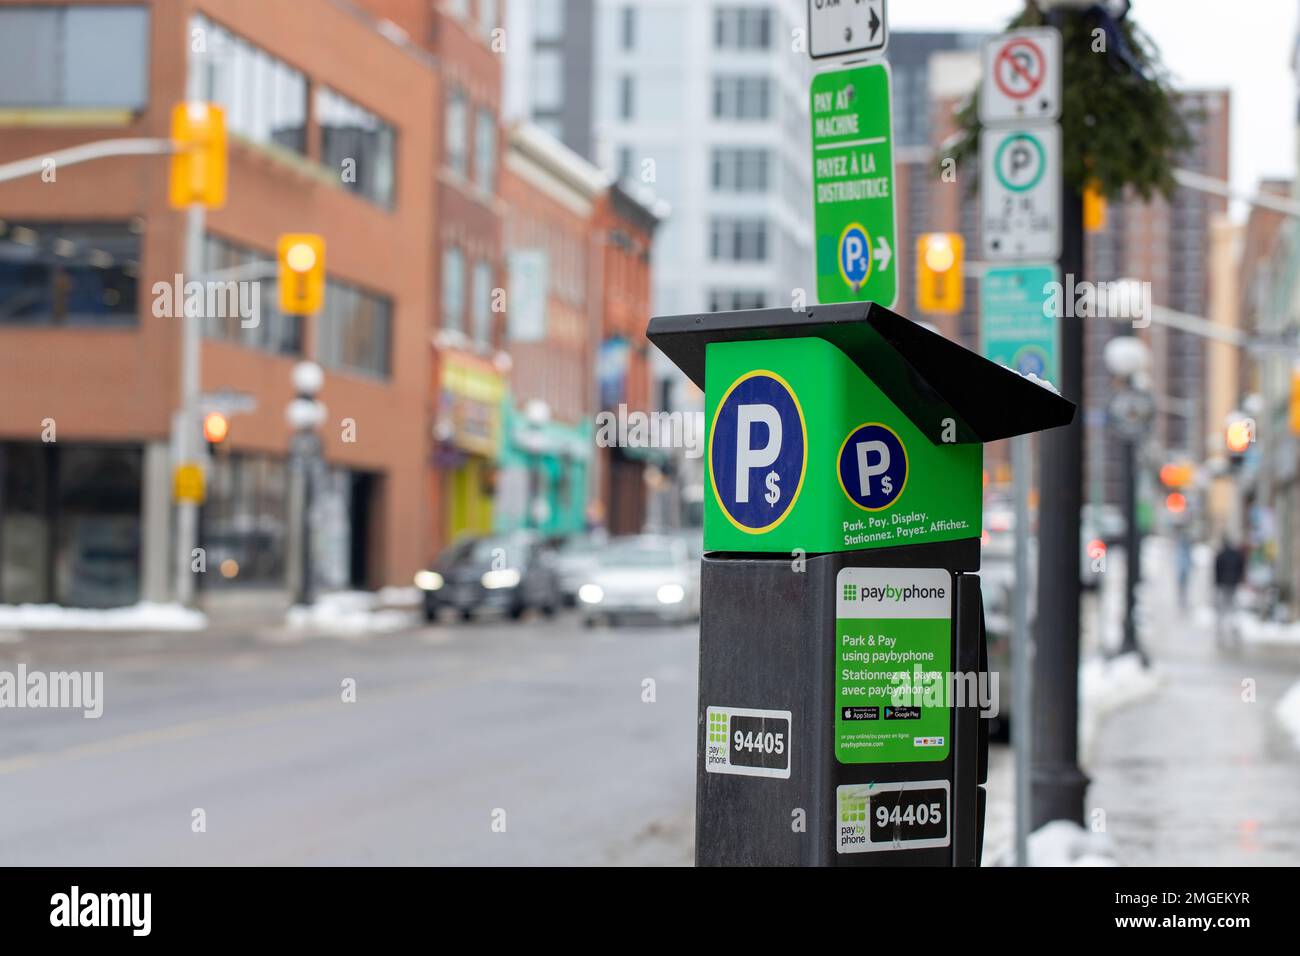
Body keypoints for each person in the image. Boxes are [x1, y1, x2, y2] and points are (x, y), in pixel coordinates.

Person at [1212, 538, 1246, 643]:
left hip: (1223, 583)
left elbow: (1216, 570)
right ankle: (1233, 626)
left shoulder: (1221, 555)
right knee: (1233, 605)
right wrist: (1239, 578)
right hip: (1233, 583)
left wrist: (1217, 583)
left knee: (1223, 606)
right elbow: (1241, 567)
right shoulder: (1236, 555)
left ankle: (1222, 626)